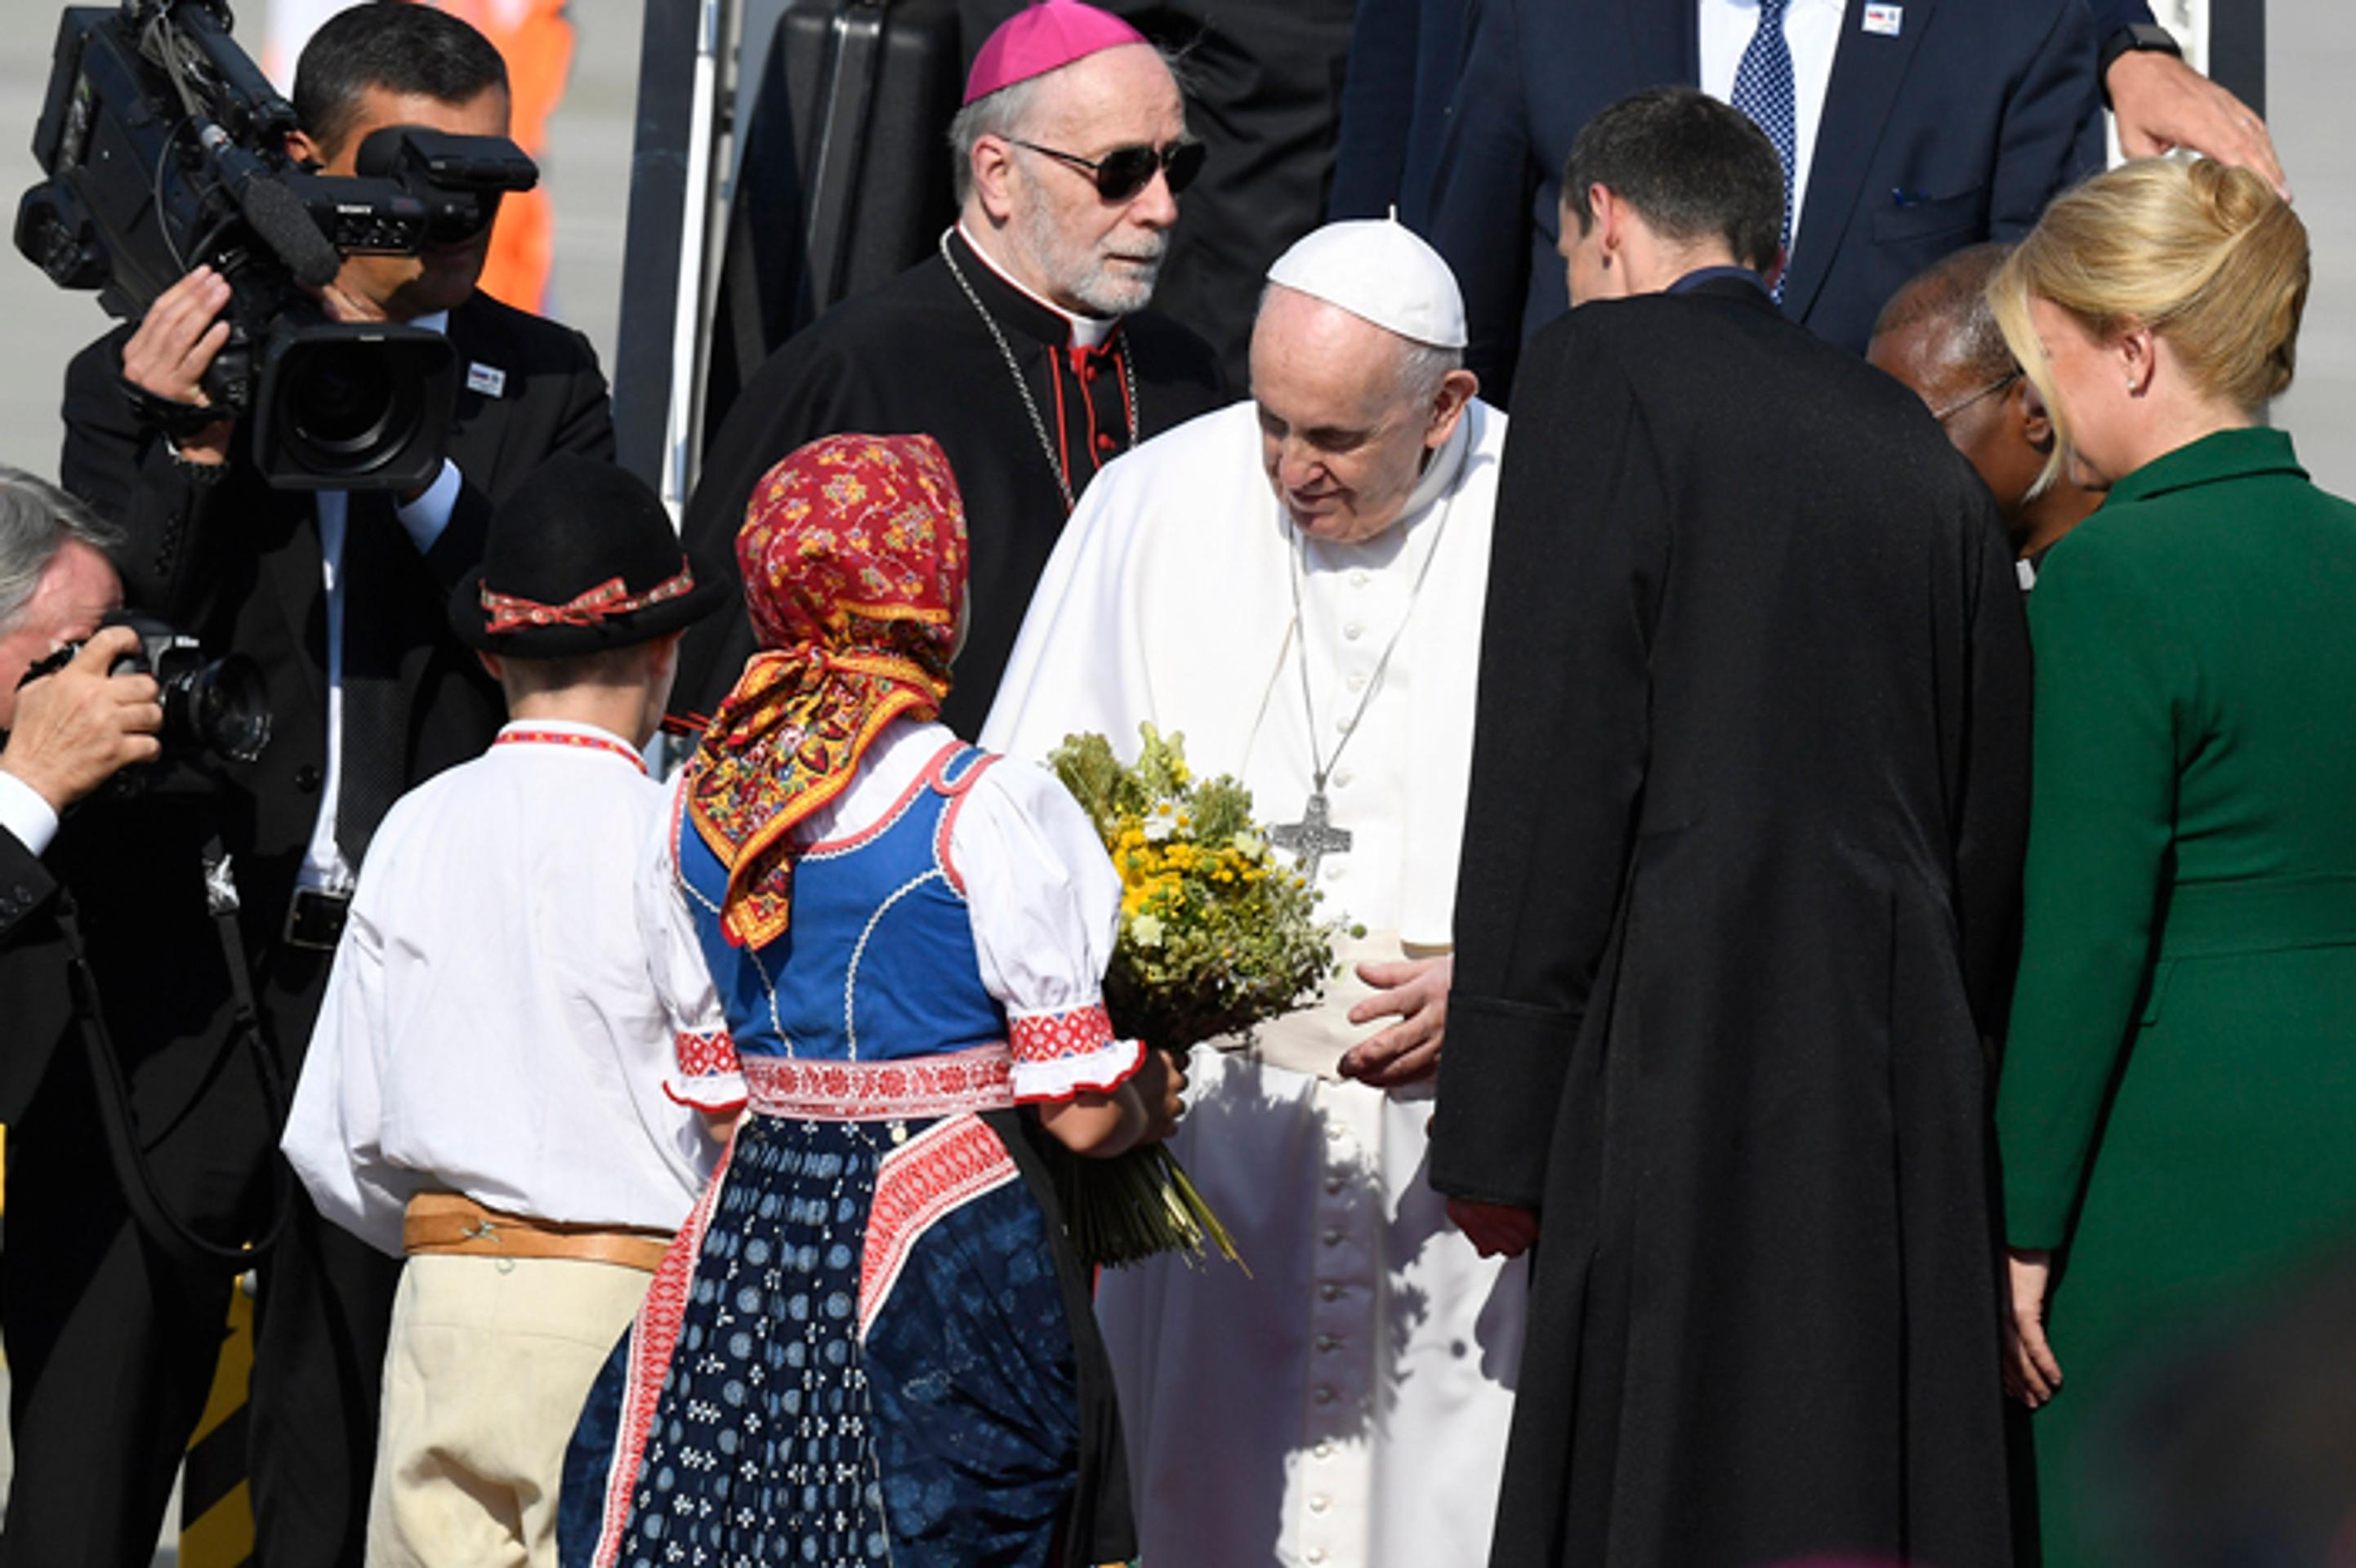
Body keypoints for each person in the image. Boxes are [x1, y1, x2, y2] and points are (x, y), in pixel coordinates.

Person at [1432, 89, 2030, 1566]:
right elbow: (1984, 810)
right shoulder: (1902, 438)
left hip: (1679, 1024)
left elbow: (1554, 754)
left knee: (1661, 1462)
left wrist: (1496, 1123)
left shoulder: (1599, 370)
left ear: (1606, 225)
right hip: (1887, 1058)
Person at [51, 6, 616, 1561]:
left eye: (482, 195)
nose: (445, 232)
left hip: (410, 986)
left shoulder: (542, 379)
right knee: (100, 1419)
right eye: (405, 188)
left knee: (340, 1428)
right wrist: (185, 445)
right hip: (192, 962)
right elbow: (105, 633)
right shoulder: (154, 355)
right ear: (303, 164)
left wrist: (418, 465)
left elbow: (548, 647)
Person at [984, 219, 1522, 1568]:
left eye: (1332, 438)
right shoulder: (1152, 504)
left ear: (1444, 407)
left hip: (1442, 1179)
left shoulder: (1556, 510)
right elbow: (1017, 831)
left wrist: (1516, 993)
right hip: (1212, 1154)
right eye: (1269, 420)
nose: (1286, 467)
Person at [562, 432, 1184, 1568]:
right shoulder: (979, 803)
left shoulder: (691, 802)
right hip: (947, 1239)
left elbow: (720, 1102)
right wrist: (1152, 1093)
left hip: (759, 1248)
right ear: (931, 582)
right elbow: (1079, 1114)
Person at [1987, 157, 2356, 1568]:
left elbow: (2081, 939)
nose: (2037, 404)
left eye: (2050, 360)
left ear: (2132, 351)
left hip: (2169, 1157)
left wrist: (2018, 1229)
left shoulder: (2103, 580)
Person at [279, 454, 734, 1568]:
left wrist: (458, 1236)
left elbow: (329, 1134)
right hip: (623, 1302)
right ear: (668, 648)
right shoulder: (676, 838)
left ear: (492, 655)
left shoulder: (416, 828)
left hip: (441, 1300)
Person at [671, 0, 1225, 741]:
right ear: (997, 173)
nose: (1160, 208)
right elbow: (730, 697)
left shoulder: (1188, 377)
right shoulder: (851, 372)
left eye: (1175, 165)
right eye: (1120, 171)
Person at [1404, 0, 2117, 395]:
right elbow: (1469, 310)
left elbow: (2043, 349)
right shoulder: (1550, 19)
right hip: (1598, 548)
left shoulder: (2011, 26)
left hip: (1867, 572)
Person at [1868, 243, 2101, 586]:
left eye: (1915, 432)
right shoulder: (1936, 582)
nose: (1889, 465)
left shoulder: (2125, 578)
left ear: (2036, 409)